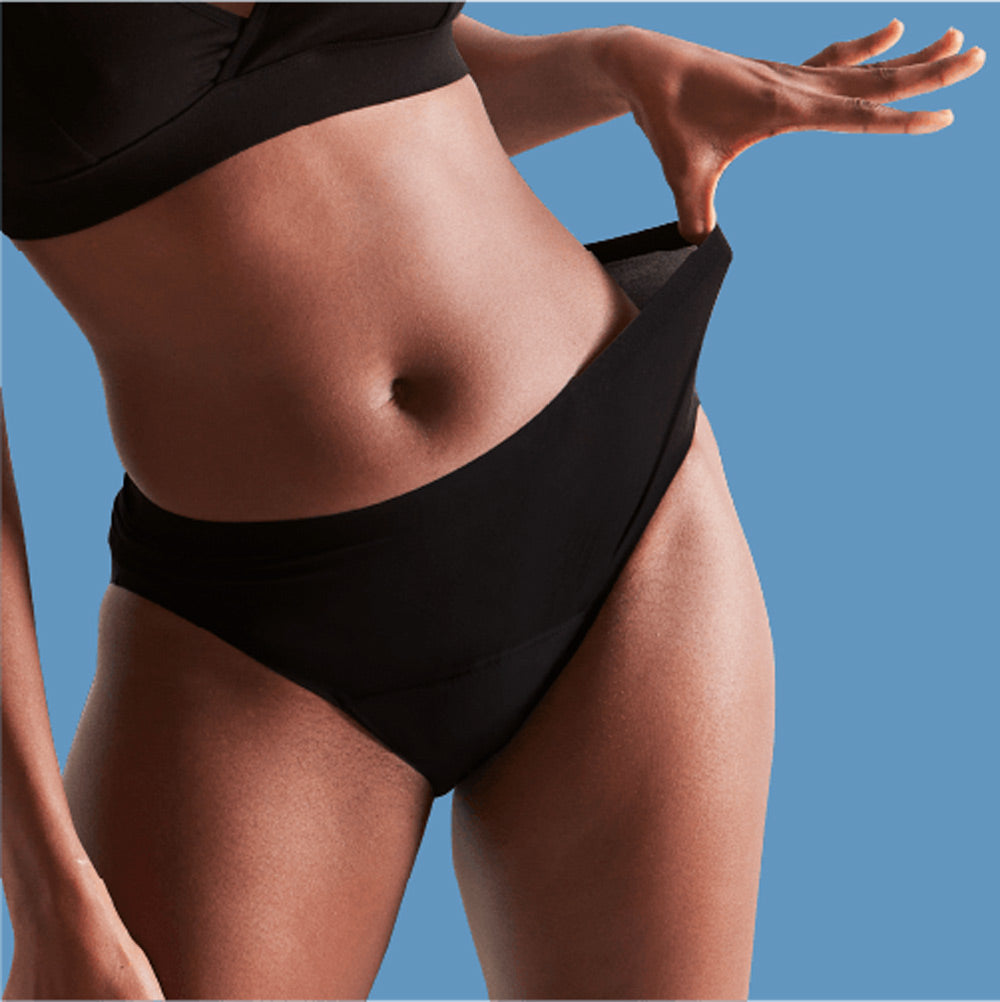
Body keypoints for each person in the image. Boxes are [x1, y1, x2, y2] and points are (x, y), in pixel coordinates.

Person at [0, 3, 985, 999]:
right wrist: (44, 894)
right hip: (263, 635)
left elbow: (354, 73)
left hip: (619, 506)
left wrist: (608, 64)